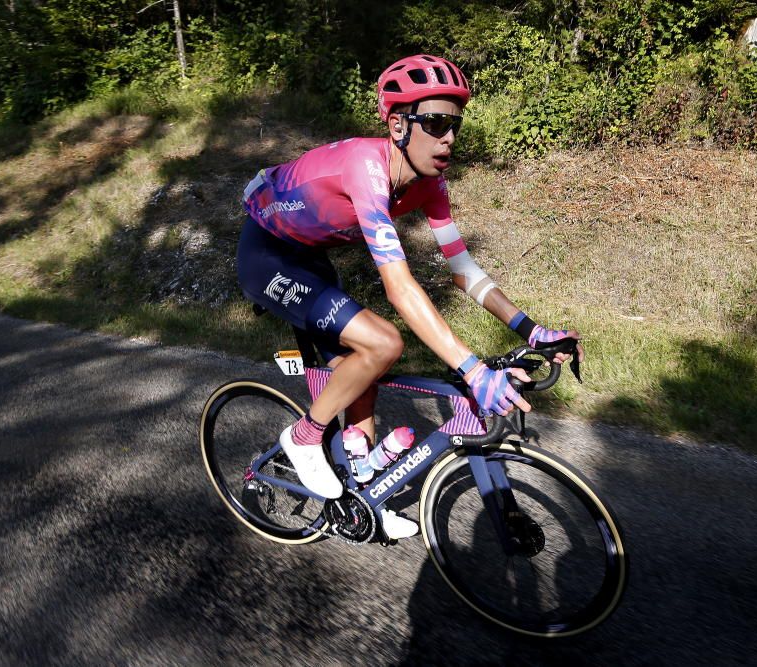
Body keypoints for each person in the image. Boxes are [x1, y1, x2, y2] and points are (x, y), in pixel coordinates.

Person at [237, 54, 582, 539]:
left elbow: (462, 269)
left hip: (310, 259)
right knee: (383, 342)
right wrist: (472, 369)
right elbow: (399, 286)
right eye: (437, 123)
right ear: (398, 124)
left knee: (363, 375)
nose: (449, 138)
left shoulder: (429, 185)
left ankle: (362, 499)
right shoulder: (366, 167)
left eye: (455, 125)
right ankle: (303, 437)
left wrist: (531, 328)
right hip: (266, 254)